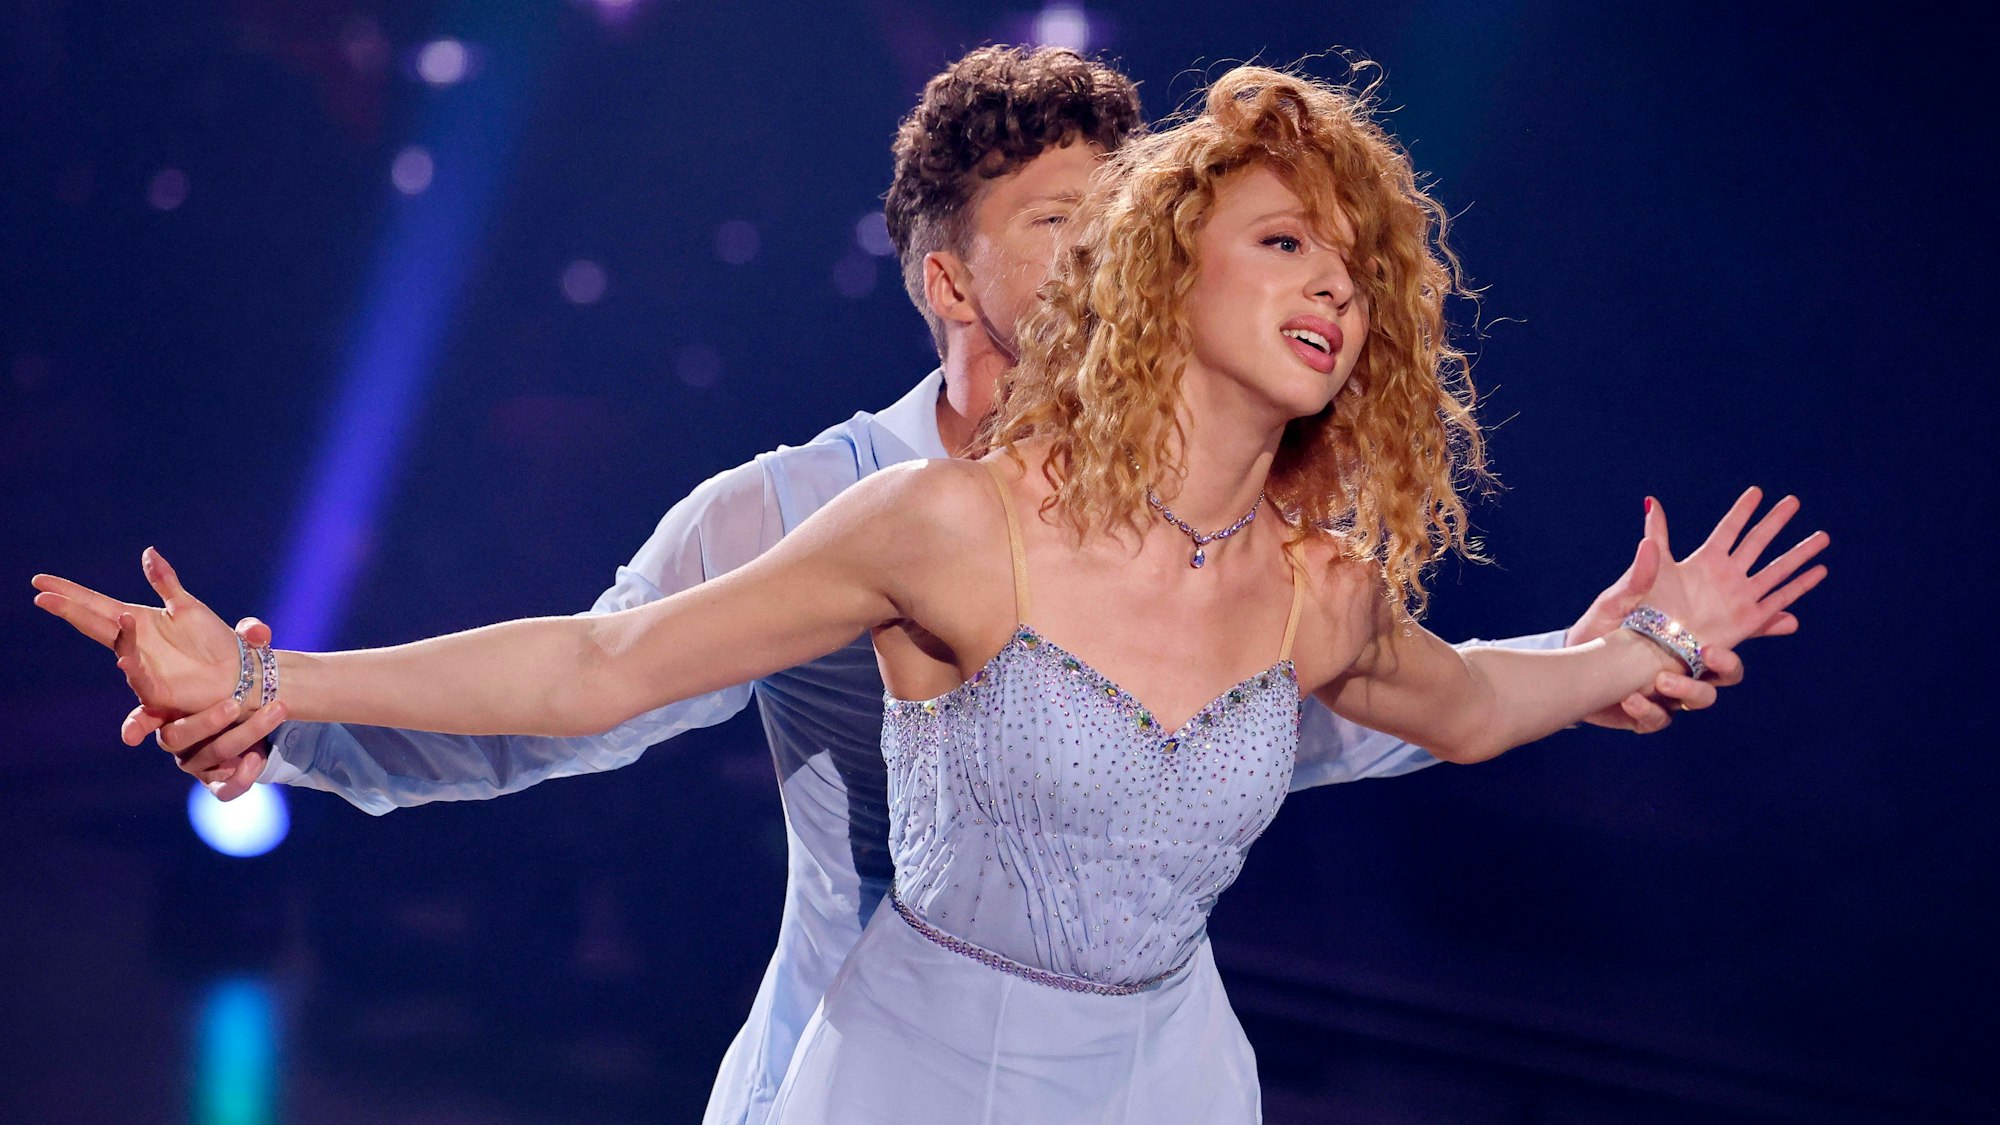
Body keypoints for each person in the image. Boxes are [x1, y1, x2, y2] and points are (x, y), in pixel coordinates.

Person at [34, 58, 1822, 1123]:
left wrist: (1619, 650)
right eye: (1073, 223)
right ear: (949, 285)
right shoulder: (859, 509)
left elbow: (1389, 713)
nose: (1117, 243)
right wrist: (280, 696)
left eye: (1135, 209)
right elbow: (593, 681)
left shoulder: (1298, 569)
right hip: (887, 1052)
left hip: (1170, 1069)